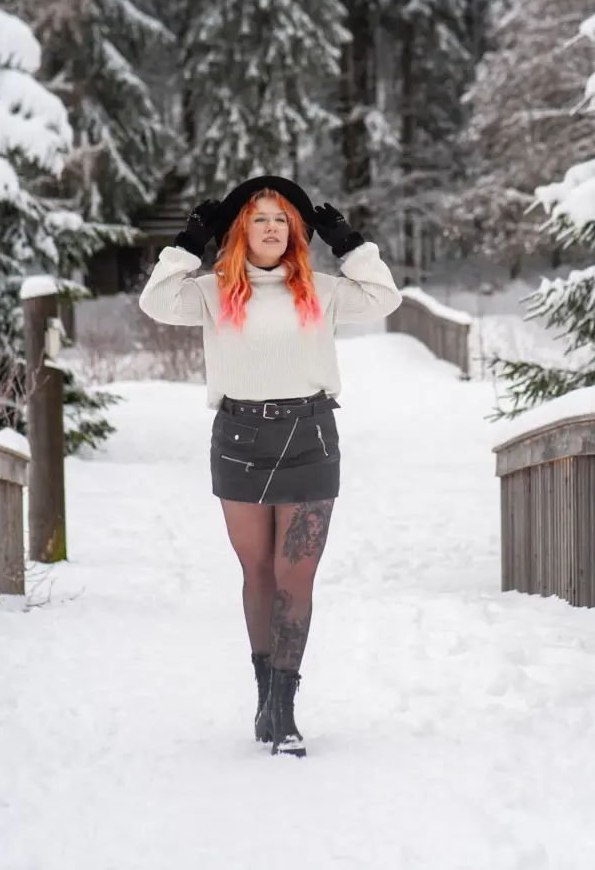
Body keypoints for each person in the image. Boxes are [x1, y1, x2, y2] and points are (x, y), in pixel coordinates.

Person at [139, 175, 401, 757]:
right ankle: (263, 693)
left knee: (296, 575)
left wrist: (351, 242)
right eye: (259, 218)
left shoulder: (323, 289)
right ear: (240, 230)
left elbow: (385, 297)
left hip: (310, 435)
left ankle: (284, 708)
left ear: (296, 231)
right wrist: (189, 240)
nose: (271, 228)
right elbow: (156, 301)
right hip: (240, 438)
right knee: (257, 572)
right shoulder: (212, 290)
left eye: (282, 219)